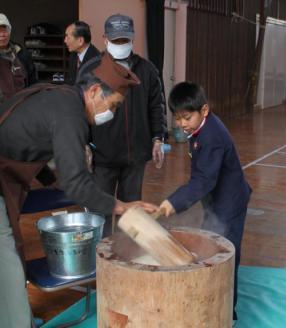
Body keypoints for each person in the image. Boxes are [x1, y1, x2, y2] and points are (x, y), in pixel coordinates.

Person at [0, 53, 158, 328]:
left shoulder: (62, 95)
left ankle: (13, 316)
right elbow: (76, 183)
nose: (113, 112)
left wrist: (50, 180)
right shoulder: (71, 114)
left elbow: (30, 140)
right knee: (7, 262)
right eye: (114, 104)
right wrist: (122, 206)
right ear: (95, 91)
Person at [158, 81, 252, 320]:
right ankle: (207, 299)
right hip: (215, 200)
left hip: (229, 202)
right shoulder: (199, 129)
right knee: (210, 246)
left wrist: (173, 202)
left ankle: (226, 313)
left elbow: (203, 181)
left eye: (186, 118)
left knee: (227, 255)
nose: (181, 124)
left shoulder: (213, 137)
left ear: (205, 110)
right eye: (177, 119)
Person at [79, 14, 166, 236]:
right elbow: (79, 109)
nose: (120, 45)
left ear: (133, 38)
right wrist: (83, 143)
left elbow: (156, 106)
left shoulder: (146, 70)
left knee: (132, 212)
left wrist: (158, 138)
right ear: (105, 38)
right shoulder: (90, 70)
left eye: (124, 40)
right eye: (116, 40)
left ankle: (127, 254)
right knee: (102, 210)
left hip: (135, 157)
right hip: (103, 157)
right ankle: (102, 254)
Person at [0, 13, 36, 103]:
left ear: (9, 32)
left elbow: (33, 82)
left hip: (21, 107)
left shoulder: (22, 54)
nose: (2, 35)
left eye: (5, 30)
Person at [64, 20, 100, 85]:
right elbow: (71, 79)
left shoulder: (96, 60)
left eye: (68, 37)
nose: (65, 41)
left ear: (80, 41)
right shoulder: (73, 54)